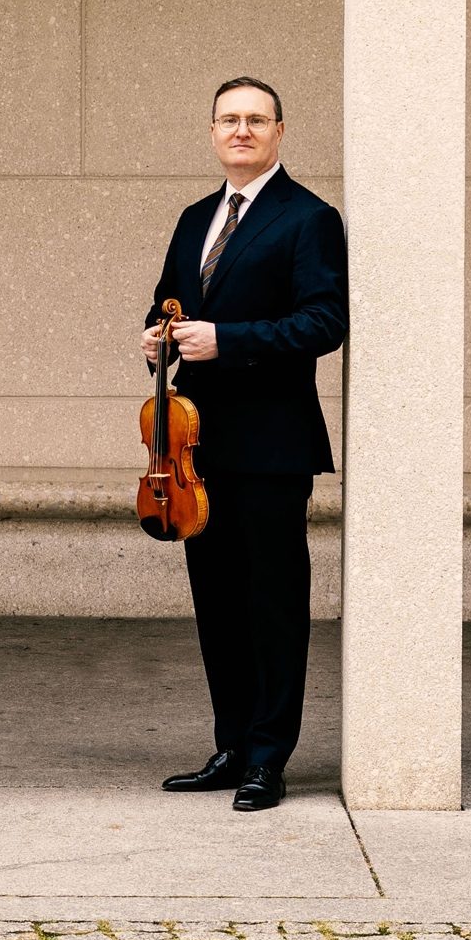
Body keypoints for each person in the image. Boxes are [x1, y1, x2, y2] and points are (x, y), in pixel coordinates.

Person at [139, 77, 347, 812]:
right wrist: (157, 338)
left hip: (273, 447)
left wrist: (225, 340)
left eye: (256, 120)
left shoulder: (309, 218)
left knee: (272, 605)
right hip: (194, 451)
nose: (242, 130)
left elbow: (323, 324)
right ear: (212, 130)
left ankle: (268, 757)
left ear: (280, 132)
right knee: (217, 603)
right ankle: (229, 747)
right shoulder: (196, 216)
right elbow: (168, 299)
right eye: (230, 119)